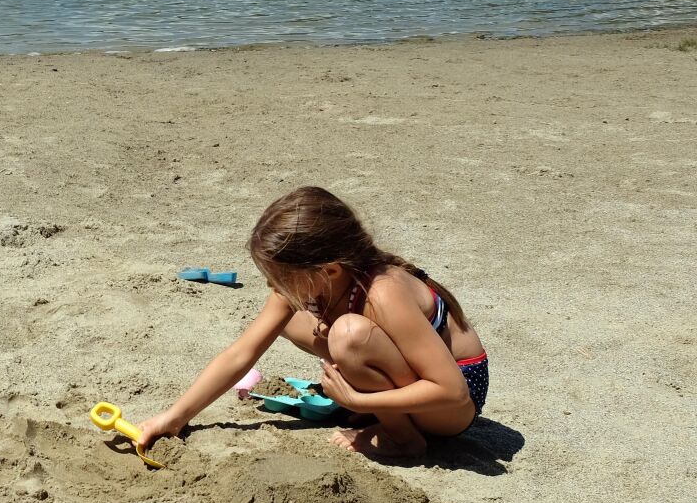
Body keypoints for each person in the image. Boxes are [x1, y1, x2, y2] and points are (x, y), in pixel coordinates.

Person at [135, 186, 488, 461]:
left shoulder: (384, 291)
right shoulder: (323, 280)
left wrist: (360, 401)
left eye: (281, 277)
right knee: (288, 321)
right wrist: (175, 416)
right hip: (418, 380)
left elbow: (452, 391)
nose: (274, 286)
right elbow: (242, 352)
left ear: (330, 270)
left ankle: (402, 438)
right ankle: (383, 404)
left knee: (350, 336)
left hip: (453, 404)